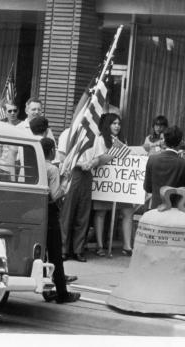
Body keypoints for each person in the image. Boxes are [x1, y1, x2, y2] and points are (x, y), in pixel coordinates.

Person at [59, 119, 113, 262]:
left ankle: (78, 249)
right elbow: (62, 156)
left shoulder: (95, 136)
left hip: (87, 175)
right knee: (67, 213)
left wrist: (91, 163)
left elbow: (99, 157)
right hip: (72, 173)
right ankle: (63, 249)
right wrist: (80, 164)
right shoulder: (67, 134)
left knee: (83, 213)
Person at [39, 137, 81, 304]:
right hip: (49, 213)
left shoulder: (31, 166)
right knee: (55, 255)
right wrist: (65, 184)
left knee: (40, 255)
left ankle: (45, 289)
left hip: (33, 212)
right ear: (52, 151)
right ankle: (62, 293)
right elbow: (55, 195)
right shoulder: (52, 169)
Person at [92, 113, 138, 257]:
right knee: (101, 212)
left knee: (127, 211)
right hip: (104, 181)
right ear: (108, 125)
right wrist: (116, 151)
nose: (117, 126)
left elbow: (126, 158)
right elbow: (98, 159)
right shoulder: (100, 139)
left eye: (119, 123)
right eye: (114, 123)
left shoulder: (121, 139)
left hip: (120, 182)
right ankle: (100, 245)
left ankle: (127, 246)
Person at [144, 126, 185, 210]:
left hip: (156, 209)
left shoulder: (152, 159)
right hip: (176, 211)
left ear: (164, 141)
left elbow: (147, 188)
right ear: (180, 142)